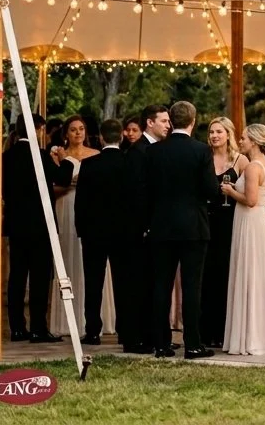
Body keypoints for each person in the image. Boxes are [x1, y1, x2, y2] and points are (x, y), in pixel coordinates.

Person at [148, 101, 220, 359]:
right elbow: (211, 190)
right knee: (192, 287)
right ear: (192, 121)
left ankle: (161, 344)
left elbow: (146, 191)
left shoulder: (155, 151)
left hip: (161, 227)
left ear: (172, 121)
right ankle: (192, 344)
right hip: (193, 226)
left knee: (161, 286)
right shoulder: (201, 150)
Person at [3, 113, 73, 342]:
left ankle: (16, 327)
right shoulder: (40, 156)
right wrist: (66, 159)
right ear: (38, 130)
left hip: (16, 224)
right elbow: (63, 178)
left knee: (17, 276)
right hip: (40, 224)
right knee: (40, 277)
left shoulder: (7, 157)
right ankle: (37, 328)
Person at [221, 124, 265, 355]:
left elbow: (250, 200)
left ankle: (251, 336)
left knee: (250, 273)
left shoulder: (252, 167)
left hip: (250, 221)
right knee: (259, 275)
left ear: (254, 141)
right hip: (262, 220)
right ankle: (261, 332)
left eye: (243, 138)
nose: (240, 141)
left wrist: (230, 191)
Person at [113, 104, 169, 354]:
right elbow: (136, 194)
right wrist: (145, 226)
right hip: (137, 232)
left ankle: (149, 335)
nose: (168, 125)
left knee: (148, 284)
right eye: (164, 121)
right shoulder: (139, 152)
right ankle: (135, 338)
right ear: (150, 123)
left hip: (147, 229)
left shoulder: (152, 149)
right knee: (137, 284)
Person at [50, 115, 112, 338]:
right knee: (67, 256)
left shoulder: (96, 155)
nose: (78, 133)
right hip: (65, 205)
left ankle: (93, 320)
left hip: (92, 212)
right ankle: (66, 319)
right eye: (73, 129)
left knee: (92, 266)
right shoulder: (58, 155)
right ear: (66, 133)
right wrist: (68, 186)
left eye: (82, 129)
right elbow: (52, 187)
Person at [74, 119, 127, 345]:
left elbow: (81, 202)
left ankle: (93, 330)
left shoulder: (89, 164)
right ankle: (125, 328)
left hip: (93, 233)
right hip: (123, 232)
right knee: (123, 282)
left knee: (93, 282)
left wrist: (81, 229)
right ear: (121, 137)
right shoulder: (129, 163)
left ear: (101, 138)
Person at [202, 117, 247, 348]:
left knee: (226, 275)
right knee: (206, 276)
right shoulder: (203, 157)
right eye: (211, 132)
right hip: (207, 221)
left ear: (228, 134)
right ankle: (205, 331)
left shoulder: (240, 160)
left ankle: (224, 331)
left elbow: (257, 188)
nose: (214, 136)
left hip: (231, 223)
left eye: (219, 131)